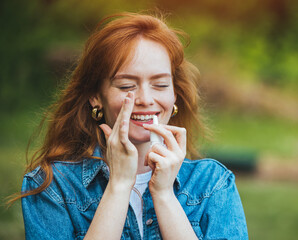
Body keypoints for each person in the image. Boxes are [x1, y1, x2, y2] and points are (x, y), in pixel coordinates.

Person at [19, 12, 248, 240]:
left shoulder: (213, 184)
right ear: (95, 96)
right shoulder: (52, 186)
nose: (145, 99)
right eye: (127, 85)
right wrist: (119, 185)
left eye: (160, 84)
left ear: (174, 94)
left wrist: (164, 195)